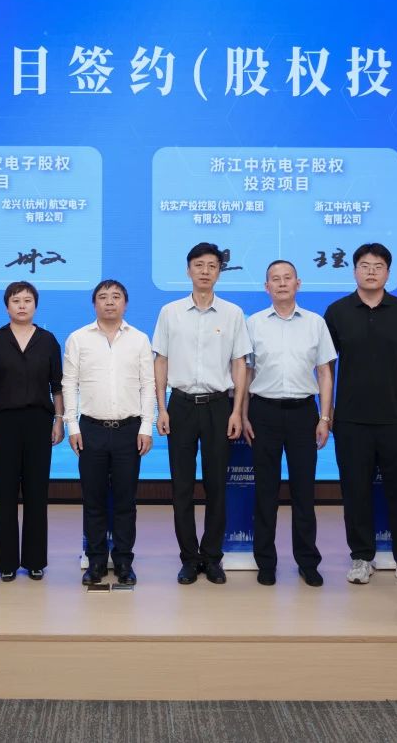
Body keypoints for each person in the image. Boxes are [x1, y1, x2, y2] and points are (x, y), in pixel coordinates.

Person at [323, 243, 397, 585]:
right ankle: (361, 557)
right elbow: (327, 366)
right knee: (355, 491)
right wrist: (327, 411)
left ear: (387, 273)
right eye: (364, 265)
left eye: (378, 266)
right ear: (354, 270)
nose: (371, 271)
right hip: (351, 418)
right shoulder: (337, 312)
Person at [152, 242, 251, 586]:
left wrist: (237, 411)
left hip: (218, 406)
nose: (205, 271)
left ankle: (211, 557)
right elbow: (161, 361)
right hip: (180, 406)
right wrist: (161, 408)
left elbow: (240, 364)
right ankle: (189, 558)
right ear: (188, 270)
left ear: (219, 272)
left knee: (216, 486)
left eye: (212, 265)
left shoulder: (233, 313)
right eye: (199, 265)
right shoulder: (170, 312)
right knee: (181, 487)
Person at [241, 260, 336, 587]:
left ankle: (307, 561)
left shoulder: (315, 323)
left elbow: (324, 373)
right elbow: (246, 372)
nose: (281, 283)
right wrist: (243, 414)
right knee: (265, 492)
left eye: (287, 278)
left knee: (304, 491)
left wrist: (325, 416)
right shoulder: (253, 323)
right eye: (275, 279)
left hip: (303, 413)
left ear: (298, 283)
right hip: (263, 412)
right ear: (266, 287)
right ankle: (266, 562)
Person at [62, 280, 155, 587]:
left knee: (126, 501)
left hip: (129, 430)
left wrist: (146, 426)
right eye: (103, 297)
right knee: (94, 500)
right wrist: (72, 426)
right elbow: (69, 384)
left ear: (125, 303)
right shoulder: (78, 338)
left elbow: (148, 385)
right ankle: (96, 561)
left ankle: (125, 561)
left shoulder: (139, 339)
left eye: (116, 297)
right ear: (95, 304)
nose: (110, 302)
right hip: (91, 430)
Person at [0, 281, 64, 582]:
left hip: (39, 423)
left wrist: (59, 420)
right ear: (7, 306)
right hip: (3, 424)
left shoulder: (48, 341)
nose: (22, 305)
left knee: (37, 492)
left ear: (35, 305)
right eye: (16, 300)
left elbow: (57, 386)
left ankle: (35, 560)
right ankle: (7, 562)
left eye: (28, 300)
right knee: (4, 493)